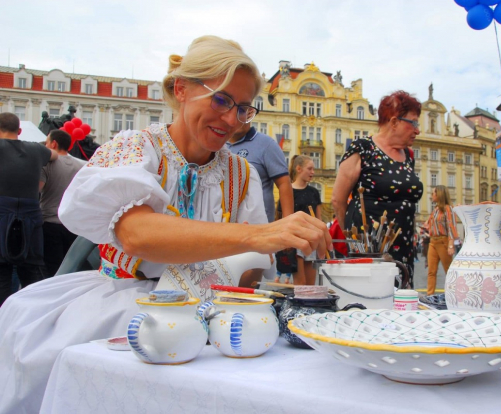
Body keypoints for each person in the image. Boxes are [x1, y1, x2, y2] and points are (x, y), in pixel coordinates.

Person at [0, 36, 331, 414]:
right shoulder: (136, 147)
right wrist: (259, 235)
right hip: (122, 304)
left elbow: (248, 274)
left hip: (209, 313)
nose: (230, 120)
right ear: (181, 89)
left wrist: (246, 283)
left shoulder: (242, 174)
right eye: (221, 100)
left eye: (242, 109)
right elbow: (137, 235)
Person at [331, 90, 423, 286]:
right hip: (370, 248)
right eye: (413, 123)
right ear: (394, 121)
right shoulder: (363, 148)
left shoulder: (408, 155)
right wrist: (355, 239)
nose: (417, 130)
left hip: (404, 246)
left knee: (401, 301)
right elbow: (338, 200)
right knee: (372, 299)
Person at [0, 112, 57, 306]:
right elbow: (54, 154)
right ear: (20, 130)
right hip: (30, 215)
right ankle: (36, 314)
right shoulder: (35, 150)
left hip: (1, 213)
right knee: (33, 270)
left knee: (1, 274)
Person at [39, 130, 87, 277]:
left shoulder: (47, 164)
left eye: (47, 142)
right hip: (71, 224)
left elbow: (38, 189)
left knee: (52, 268)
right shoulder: (80, 166)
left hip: (49, 222)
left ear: (54, 144)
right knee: (70, 268)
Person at [226, 122, 294, 223]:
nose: (235, 118)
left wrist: (289, 222)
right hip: (224, 225)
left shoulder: (266, 144)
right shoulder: (218, 144)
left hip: (258, 226)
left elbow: (284, 183)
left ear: (249, 113)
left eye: (242, 111)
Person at [278, 155, 322, 285]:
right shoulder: (288, 190)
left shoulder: (314, 191)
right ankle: (299, 304)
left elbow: (319, 218)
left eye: (313, 169)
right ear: (298, 169)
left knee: (311, 283)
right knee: (300, 283)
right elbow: (281, 217)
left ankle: (309, 305)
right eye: (310, 169)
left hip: (312, 239)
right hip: (296, 239)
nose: (313, 172)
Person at [425, 185, 459, 296]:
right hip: (433, 242)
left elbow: (451, 226)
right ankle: (429, 295)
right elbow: (430, 224)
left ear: (439, 194)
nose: (432, 195)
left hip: (443, 241)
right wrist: (426, 227)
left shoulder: (448, 209)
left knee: (448, 270)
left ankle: (453, 294)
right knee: (431, 271)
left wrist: (451, 245)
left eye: (433, 193)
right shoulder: (435, 210)